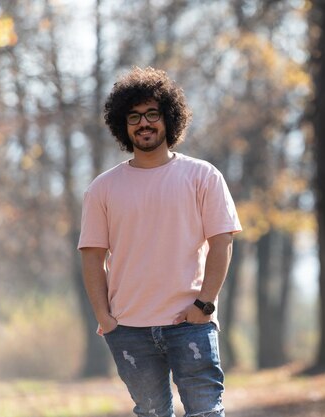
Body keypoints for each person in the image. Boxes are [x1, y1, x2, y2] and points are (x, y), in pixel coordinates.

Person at [78, 66, 242, 417]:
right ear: (123, 124)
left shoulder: (202, 176)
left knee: (206, 412)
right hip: (128, 329)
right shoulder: (103, 188)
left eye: (152, 114)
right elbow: (92, 257)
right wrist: (105, 318)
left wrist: (205, 305)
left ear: (169, 118)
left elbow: (222, 242)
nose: (144, 123)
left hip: (190, 324)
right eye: (134, 116)